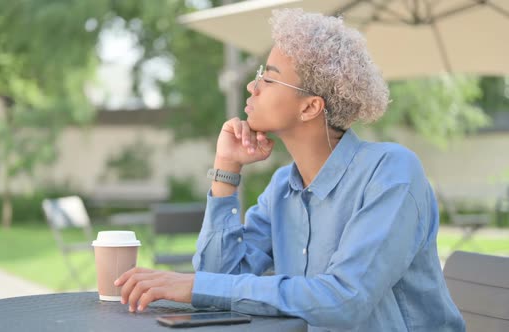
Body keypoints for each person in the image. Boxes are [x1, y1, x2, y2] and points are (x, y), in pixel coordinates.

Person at [114, 8, 465, 331]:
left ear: (310, 106)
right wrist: (226, 168)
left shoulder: (392, 174)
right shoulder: (283, 187)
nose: (252, 87)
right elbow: (218, 279)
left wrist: (194, 286)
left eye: (268, 79)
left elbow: (343, 299)